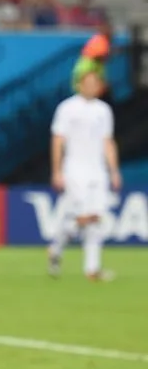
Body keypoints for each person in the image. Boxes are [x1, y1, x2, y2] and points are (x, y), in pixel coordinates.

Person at [48, 69, 121, 281]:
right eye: (87, 83)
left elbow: (108, 142)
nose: (91, 87)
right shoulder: (67, 108)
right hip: (74, 169)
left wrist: (114, 170)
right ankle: (57, 247)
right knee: (82, 217)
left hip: (98, 170)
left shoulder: (103, 110)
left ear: (99, 87)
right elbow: (58, 140)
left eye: (95, 83)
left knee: (95, 218)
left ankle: (92, 269)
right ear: (79, 85)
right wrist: (57, 171)